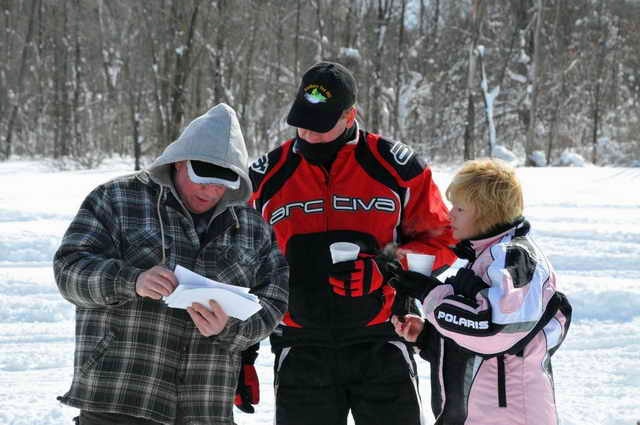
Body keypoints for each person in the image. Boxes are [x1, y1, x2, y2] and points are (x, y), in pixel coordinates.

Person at [248, 61, 457, 425]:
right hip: (300, 345)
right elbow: (241, 265)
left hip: (382, 339)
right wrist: (242, 351)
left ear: (350, 116)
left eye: (321, 125)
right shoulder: (265, 176)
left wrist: (386, 269)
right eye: (302, 121)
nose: (308, 134)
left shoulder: (397, 167)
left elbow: (442, 238)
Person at [54, 103, 289, 425]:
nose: (212, 190)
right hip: (120, 396)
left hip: (204, 406)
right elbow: (70, 270)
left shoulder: (252, 228)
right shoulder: (117, 198)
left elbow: (273, 302)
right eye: (203, 179)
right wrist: (131, 280)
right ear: (179, 162)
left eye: (223, 183)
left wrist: (230, 327)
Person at [391, 158, 572, 425]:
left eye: (460, 208)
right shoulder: (485, 258)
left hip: (510, 415)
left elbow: (496, 330)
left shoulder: (516, 258)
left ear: (488, 214)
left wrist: (431, 294)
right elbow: (475, 341)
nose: (450, 214)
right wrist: (430, 336)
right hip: (478, 413)